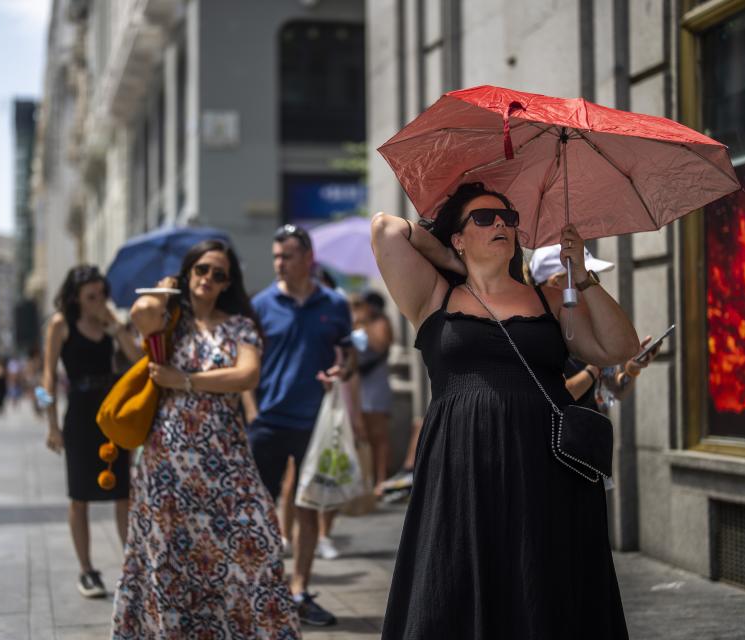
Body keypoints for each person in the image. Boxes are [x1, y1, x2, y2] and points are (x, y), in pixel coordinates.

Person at [370, 182, 640, 638]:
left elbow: (618, 348)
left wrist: (585, 278)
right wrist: (456, 265)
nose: (501, 224)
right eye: (483, 218)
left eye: (509, 219)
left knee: (544, 582)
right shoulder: (435, 297)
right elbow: (386, 229)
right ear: (457, 236)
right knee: (456, 578)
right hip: (462, 469)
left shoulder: (549, 300)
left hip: (547, 469)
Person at [112, 239, 300, 638]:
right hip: (168, 457)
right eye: (201, 270)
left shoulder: (239, 325)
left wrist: (186, 380)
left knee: (258, 535)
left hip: (226, 454)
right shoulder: (168, 320)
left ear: (228, 283)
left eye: (219, 275)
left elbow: (247, 375)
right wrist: (167, 285)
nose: (209, 280)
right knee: (170, 555)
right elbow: (139, 310)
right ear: (189, 272)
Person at [247, 224, 354, 626]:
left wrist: (340, 370)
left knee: (308, 507)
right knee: (259, 510)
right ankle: (262, 590)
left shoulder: (334, 304)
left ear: (308, 259)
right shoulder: (260, 305)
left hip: (315, 423)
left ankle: (299, 591)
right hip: (268, 421)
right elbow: (248, 364)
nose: (279, 263)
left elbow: (347, 357)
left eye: (286, 256)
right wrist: (251, 411)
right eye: (276, 256)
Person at [42, 265, 143, 598]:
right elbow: (47, 379)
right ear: (75, 296)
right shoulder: (61, 324)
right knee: (80, 495)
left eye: (102, 294)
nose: (98, 300)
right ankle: (87, 570)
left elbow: (138, 358)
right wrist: (52, 425)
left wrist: (116, 328)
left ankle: (132, 567)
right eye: (91, 296)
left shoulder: (110, 323)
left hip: (111, 413)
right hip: (80, 414)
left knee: (122, 493)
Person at [530, 244, 661, 409]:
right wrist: (597, 366)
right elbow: (556, 395)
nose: (589, 287)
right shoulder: (536, 334)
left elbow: (613, 392)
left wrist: (631, 370)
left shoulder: (584, 325)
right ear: (556, 282)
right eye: (580, 278)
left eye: (590, 277)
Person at [351, 291, 394, 495]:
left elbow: (380, 345)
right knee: (362, 435)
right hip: (358, 384)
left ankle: (380, 479)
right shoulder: (355, 322)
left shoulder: (380, 323)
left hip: (376, 384)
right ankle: (365, 480)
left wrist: (365, 324)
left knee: (379, 435)